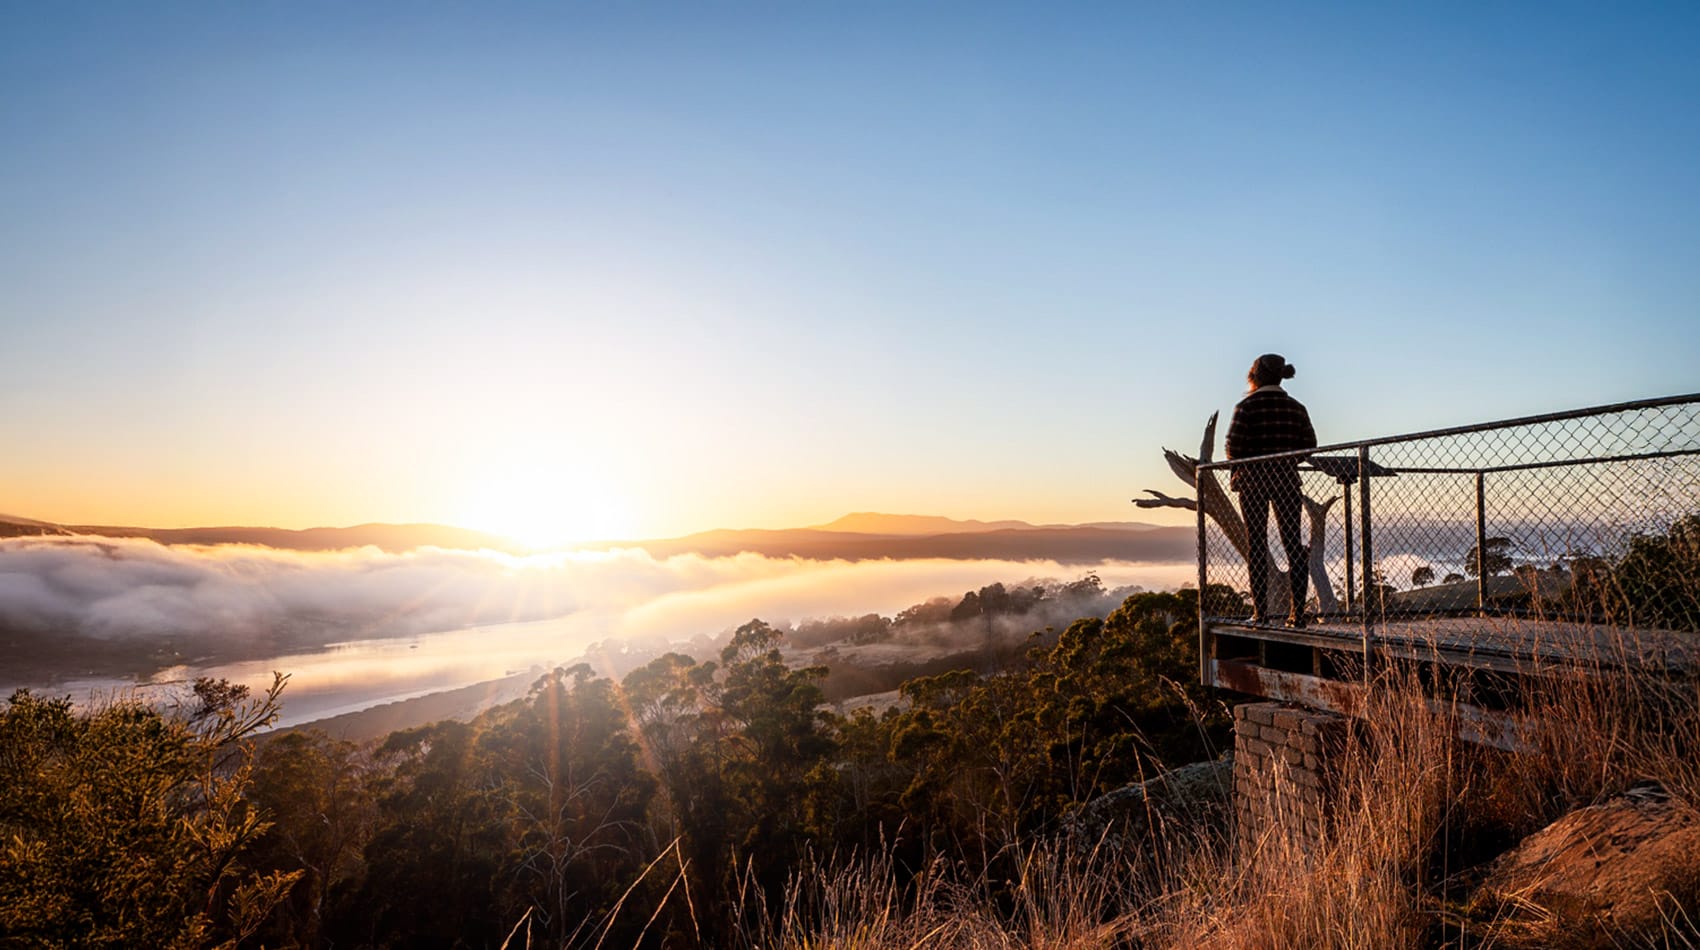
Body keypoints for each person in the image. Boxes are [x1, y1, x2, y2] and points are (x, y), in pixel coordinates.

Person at [1225, 353, 1317, 627]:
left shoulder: (1246, 407)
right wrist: (1285, 461)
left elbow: (1233, 449)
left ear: (1255, 375)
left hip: (1252, 483)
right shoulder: (1296, 408)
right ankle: (1297, 614)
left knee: (1256, 545)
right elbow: (1309, 445)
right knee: (1293, 545)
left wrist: (1255, 461)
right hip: (1286, 481)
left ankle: (1261, 614)